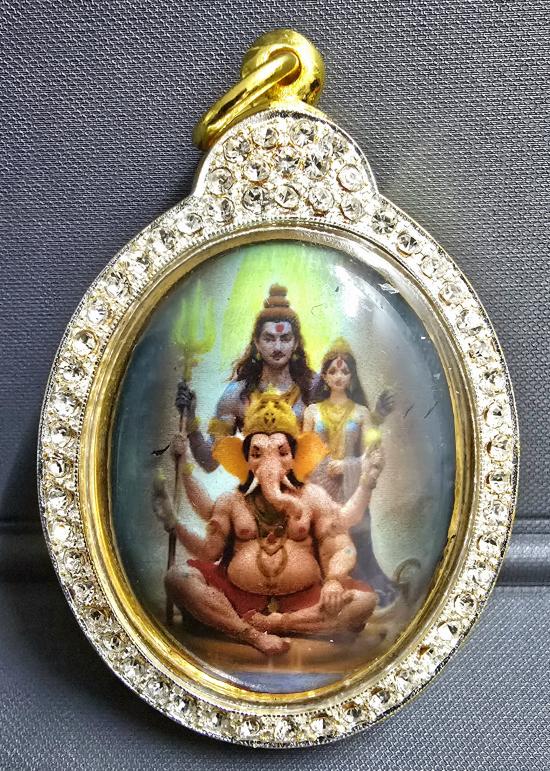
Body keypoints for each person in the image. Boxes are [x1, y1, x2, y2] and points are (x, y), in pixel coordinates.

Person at [153, 390, 385, 656]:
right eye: (257, 453)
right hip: (236, 598)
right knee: (177, 578)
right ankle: (248, 633)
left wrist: (333, 579)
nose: (270, 462)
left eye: (282, 452)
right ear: (246, 460)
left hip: (304, 601)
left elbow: (342, 546)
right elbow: (208, 552)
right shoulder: (232, 501)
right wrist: (174, 523)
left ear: (295, 457)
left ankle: (280, 623)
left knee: (364, 601)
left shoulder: (313, 498)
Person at [178, 284, 316, 471]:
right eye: (269, 339)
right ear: (257, 343)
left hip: (305, 489)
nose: (277, 347)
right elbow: (210, 461)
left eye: (285, 339)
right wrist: (190, 421)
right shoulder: (237, 394)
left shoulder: (314, 388)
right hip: (253, 489)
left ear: (296, 343)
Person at [302, 338, 397, 605]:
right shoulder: (312, 412)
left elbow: (371, 454)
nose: (339, 376)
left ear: (352, 376)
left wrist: (347, 466)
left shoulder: (362, 413)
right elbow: (303, 452)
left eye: (344, 371)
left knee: (355, 536)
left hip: (351, 489)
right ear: (324, 376)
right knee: (319, 537)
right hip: (318, 489)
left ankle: (358, 587)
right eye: (333, 371)